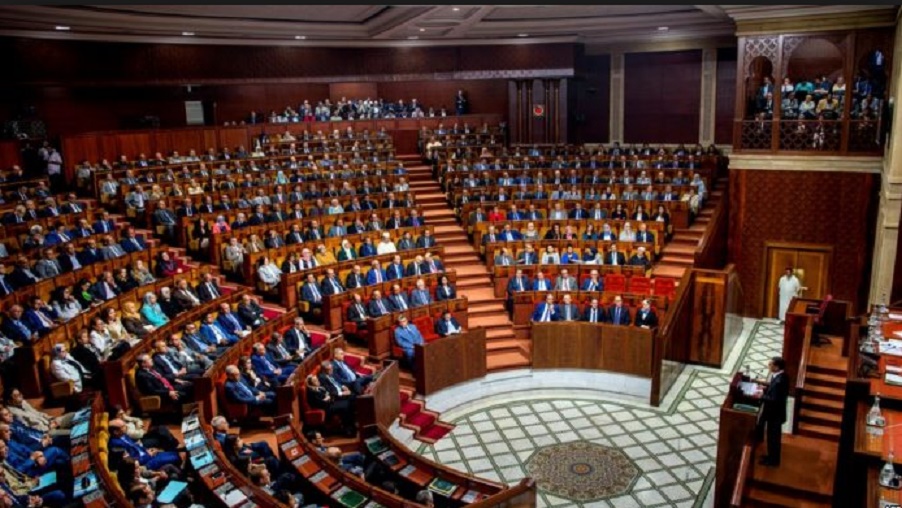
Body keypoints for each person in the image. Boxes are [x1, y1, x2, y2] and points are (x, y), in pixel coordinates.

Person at [753, 357, 789, 467]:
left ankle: (773, 461)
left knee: (773, 438)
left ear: (777, 367)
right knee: (771, 437)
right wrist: (763, 386)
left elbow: (774, 399)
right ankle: (770, 456)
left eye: (771, 364)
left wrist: (761, 395)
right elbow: (773, 389)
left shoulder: (779, 381)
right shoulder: (781, 376)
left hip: (775, 414)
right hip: (774, 413)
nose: (768, 365)